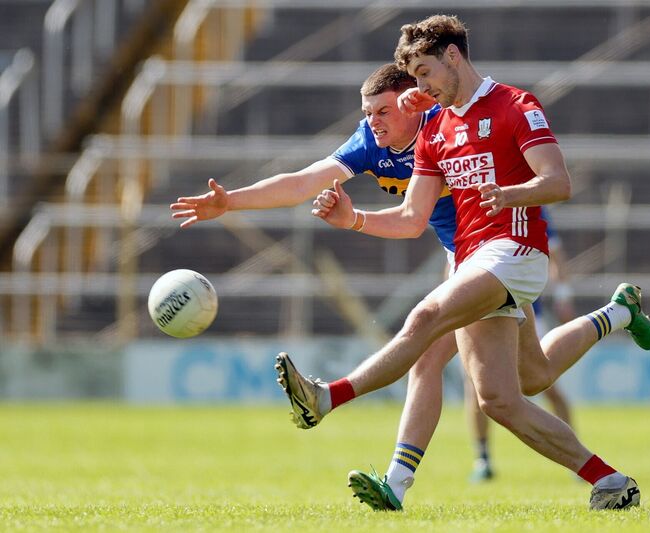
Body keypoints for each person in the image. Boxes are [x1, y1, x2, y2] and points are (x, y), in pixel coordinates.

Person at [276, 14, 650, 511]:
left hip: (516, 251)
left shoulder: (516, 105)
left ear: (453, 56)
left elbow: (559, 182)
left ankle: (328, 399)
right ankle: (611, 475)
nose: (422, 87)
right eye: (415, 79)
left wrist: (511, 193)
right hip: (472, 259)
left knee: (426, 320)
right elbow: (413, 218)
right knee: (511, 392)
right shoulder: (436, 130)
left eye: (426, 73)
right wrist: (354, 219)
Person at [170, 63, 601, 499]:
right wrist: (231, 202)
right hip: (465, 257)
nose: (371, 122)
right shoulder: (370, 143)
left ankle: (364, 444)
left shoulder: (444, 119)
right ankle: (615, 315)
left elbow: (471, 93)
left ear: (413, 104)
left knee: (430, 347)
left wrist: (431, 96)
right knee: (531, 376)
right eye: (367, 112)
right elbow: (305, 181)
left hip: (501, 250)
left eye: (382, 111)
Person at [465, 205, 577, 482]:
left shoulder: (528, 202)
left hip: (528, 312)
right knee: (475, 388)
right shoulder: (468, 202)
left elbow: (556, 255)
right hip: (482, 315)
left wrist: (563, 295)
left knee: (544, 381)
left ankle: (576, 455)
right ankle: (483, 459)